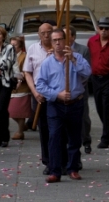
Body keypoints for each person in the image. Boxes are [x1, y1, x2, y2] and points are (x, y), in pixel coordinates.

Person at [36, 29, 91, 182]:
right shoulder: (47, 63)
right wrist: (56, 94)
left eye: (60, 39)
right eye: (55, 40)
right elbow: (40, 84)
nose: (58, 43)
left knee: (74, 137)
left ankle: (73, 168)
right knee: (54, 137)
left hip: (75, 103)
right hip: (56, 105)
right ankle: (55, 170)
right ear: (51, 43)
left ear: (66, 41)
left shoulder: (77, 57)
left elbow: (87, 73)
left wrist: (73, 59)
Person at [23, 22, 54, 173]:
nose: (46, 35)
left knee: (58, 128)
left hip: (56, 94)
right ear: (39, 34)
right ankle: (48, 160)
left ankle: (61, 159)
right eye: (43, 33)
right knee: (45, 128)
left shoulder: (58, 48)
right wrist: (34, 92)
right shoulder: (33, 49)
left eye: (49, 32)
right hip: (39, 94)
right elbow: (27, 72)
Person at [88, 16, 109, 148]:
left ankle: (106, 137)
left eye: (107, 28)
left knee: (107, 107)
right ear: (97, 29)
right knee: (99, 107)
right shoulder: (91, 41)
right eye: (101, 28)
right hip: (95, 78)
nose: (104, 31)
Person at [66, 25, 92, 154]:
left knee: (84, 116)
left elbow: (87, 70)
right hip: (64, 90)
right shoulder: (57, 51)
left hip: (80, 88)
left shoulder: (83, 50)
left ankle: (86, 140)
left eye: (67, 36)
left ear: (73, 37)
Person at [8, 36, 30, 140]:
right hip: (9, 87)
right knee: (10, 111)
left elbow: (27, 72)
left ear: (20, 46)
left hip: (22, 87)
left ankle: (20, 132)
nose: (12, 47)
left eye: (15, 45)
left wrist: (20, 76)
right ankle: (23, 126)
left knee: (19, 112)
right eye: (11, 45)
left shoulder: (24, 56)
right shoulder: (8, 56)